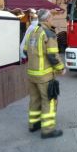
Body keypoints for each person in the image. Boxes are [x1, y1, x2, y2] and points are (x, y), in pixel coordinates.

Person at [23, 9, 66, 139]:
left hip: (32, 74)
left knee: (35, 100)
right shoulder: (49, 33)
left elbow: (25, 51)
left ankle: (33, 124)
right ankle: (47, 130)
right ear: (47, 19)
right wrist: (61, 68)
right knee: (49, 101)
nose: (52, 20)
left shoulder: (32, 32)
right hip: (45, 76)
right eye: (51, 18)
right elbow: (53, 55)